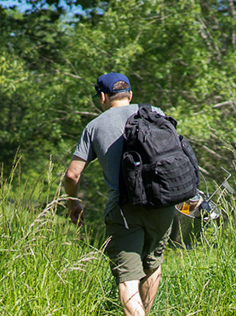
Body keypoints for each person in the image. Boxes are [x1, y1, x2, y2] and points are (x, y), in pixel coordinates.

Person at [64, 73, 175, 316]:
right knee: (153, 265)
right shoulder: (154, 111)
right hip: (164, 202)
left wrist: (73, 203)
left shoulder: (94, 127)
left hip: (125, 209)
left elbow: (72, 175)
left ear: (103, 97)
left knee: (127, 280)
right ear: (130, 95)